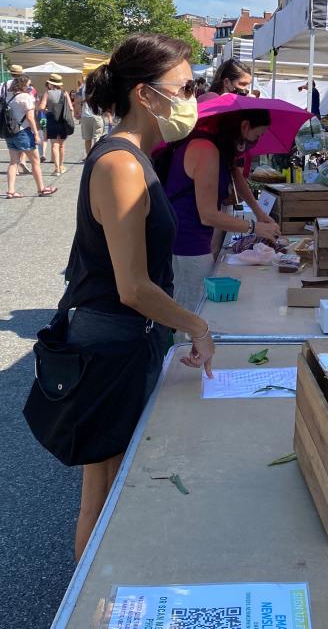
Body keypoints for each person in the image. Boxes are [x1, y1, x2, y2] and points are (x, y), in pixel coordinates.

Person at [68, 33, 216, 559]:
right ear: (145, 95)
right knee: (104, 492)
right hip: (111, 343)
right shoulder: (121, 164)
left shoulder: (140, 157)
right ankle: (92, 605)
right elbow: (132, 286)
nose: (192, 97)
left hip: (130, 339)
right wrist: (196, 326)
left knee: (116, 484)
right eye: (185, 86)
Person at [155, 110, 281, 314]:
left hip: (192, 238)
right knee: (193, 311)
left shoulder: (219, 148)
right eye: (258, 136)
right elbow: (208, 215)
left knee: (195, 306)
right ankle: (186, 346)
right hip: (186, 243)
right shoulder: (206, 150)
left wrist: (259, 212)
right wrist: (255, 227)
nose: (257, 141)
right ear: (244, 127)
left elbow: (236, 175)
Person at [4, 75, 57, 198]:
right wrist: (36, 134)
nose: (30, 87)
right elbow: (30, 117)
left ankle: (11, 191)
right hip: (24, 132)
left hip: (11, 132)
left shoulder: (9, 97)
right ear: (23, 85)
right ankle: (41, 189)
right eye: (28, 84)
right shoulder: (26, 97)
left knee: (13, 162)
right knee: (35, 161)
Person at [40, 73, 74, 176]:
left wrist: (47, 110)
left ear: (51, 84)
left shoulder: (47, 93)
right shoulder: (65, 93)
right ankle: (62, 166)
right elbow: (71, 108)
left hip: (51, 119)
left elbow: (41, 107)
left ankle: (56, 169)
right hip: (63, 120)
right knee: (62, 145)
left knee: (54, 144)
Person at [75, 81, 106, 156]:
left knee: (87, 139)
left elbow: (77, 101)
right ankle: (96, 156)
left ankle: (89, 156)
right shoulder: (99, 86)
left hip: (85, 116)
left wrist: (77, 112)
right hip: (97, 115)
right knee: (97, 137)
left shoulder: (82, 88)